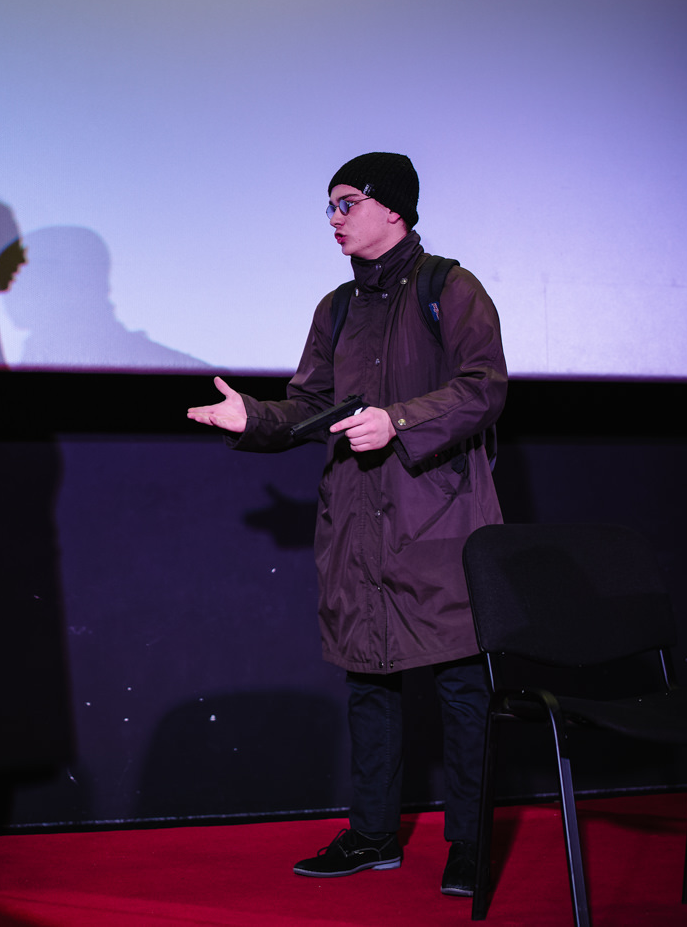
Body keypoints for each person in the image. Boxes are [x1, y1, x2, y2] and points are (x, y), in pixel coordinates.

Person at [187, 152, 506, 899]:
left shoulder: (450, 287)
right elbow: (311, 407)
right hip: (358, 521)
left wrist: (398, 421)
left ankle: (469, 840)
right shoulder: (335, 307)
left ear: (392, 207)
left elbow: (483, 388)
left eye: (346, 203)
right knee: (370, 680)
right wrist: (252, 419)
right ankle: (372, 833)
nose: (333, 219)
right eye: (329, 206)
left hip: (440, 519)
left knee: (462, 685)